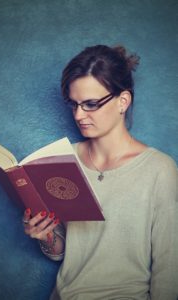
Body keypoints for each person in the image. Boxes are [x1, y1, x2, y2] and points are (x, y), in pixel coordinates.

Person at [23, 45, 178, 300]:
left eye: (91, 104)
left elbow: (170, 268)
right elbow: (62, 252)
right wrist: (45, 235)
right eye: (73, 104)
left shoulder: (160, 170)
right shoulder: (62, 159)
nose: (79, 114)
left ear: (123, 101)